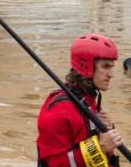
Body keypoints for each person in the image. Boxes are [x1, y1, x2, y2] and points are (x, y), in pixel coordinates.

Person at [36, 33, 123, 167]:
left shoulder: (88, 101)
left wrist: (104, 132)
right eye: (105, 67)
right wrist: (99, 147)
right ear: (86, 66)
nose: (111, 74)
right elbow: (55, 163)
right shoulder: (58, 111)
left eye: (112, 67)